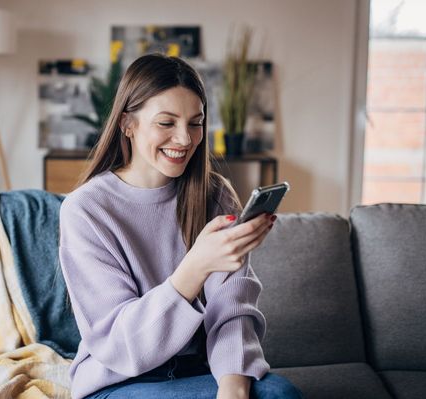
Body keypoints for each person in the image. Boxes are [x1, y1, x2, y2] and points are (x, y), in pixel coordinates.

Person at [58, 53, 303, 399]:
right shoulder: (86, 210)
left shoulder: (215, 195)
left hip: (200, 372)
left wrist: (233, 388)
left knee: (279, 395)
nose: (185, 139)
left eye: (195, 123)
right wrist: (196, 266)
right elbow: (119, 345)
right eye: (166, 123)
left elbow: (231, 307)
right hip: (121, 381)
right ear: (128, 124)